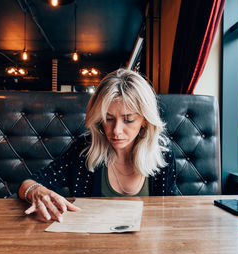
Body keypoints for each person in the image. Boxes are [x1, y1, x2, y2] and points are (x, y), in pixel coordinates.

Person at [18, 68, 179, 222]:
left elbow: (169, 214)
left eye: (128, 120)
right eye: (108, 119)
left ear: (144, 120)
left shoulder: (163, 157)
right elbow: (28, 182)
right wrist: (36, 190)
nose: (116, 131)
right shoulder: (83, 150)